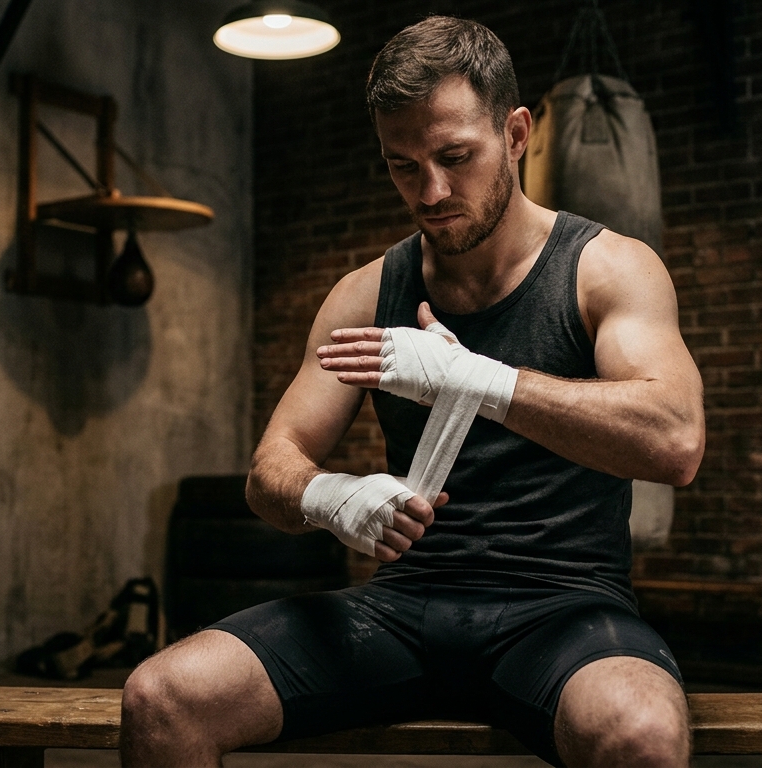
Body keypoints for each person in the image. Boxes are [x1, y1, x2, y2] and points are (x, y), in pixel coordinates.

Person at [120, 15, 704, 768]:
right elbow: (270, 471)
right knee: (162, 698)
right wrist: (331, 497)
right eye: (403, 166)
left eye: (455, 157)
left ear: (517, 134)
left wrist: (478, 379)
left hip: (564, 609)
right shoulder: (366, 293)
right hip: (402, 607)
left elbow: (675, 441)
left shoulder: (606, 269)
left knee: (641, 734)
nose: (431, 191)